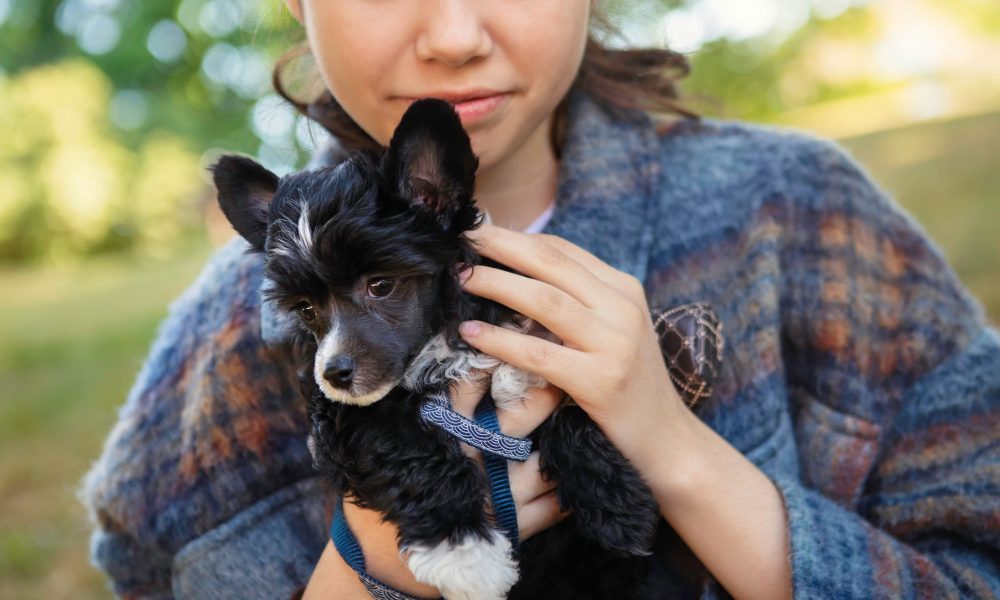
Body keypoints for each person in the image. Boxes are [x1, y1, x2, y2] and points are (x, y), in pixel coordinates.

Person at [80, 1, 1000, 599]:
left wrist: (676, 452)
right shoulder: (218, 354)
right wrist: (368, 567)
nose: (451, 34)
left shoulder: (805, 216)